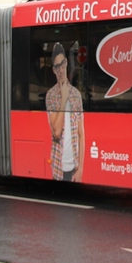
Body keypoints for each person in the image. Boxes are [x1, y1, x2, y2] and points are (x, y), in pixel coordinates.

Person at [46, 43, 85, 181]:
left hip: (74, 168)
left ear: (67, 63)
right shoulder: (51, 96)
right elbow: (56, 132)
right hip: (58, 169)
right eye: (57, 67)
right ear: (54, 70)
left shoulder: (76, 95)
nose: (61, 70)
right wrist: (63, 98)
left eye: (62, 64)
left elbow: (81, 133)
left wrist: (81, 168)